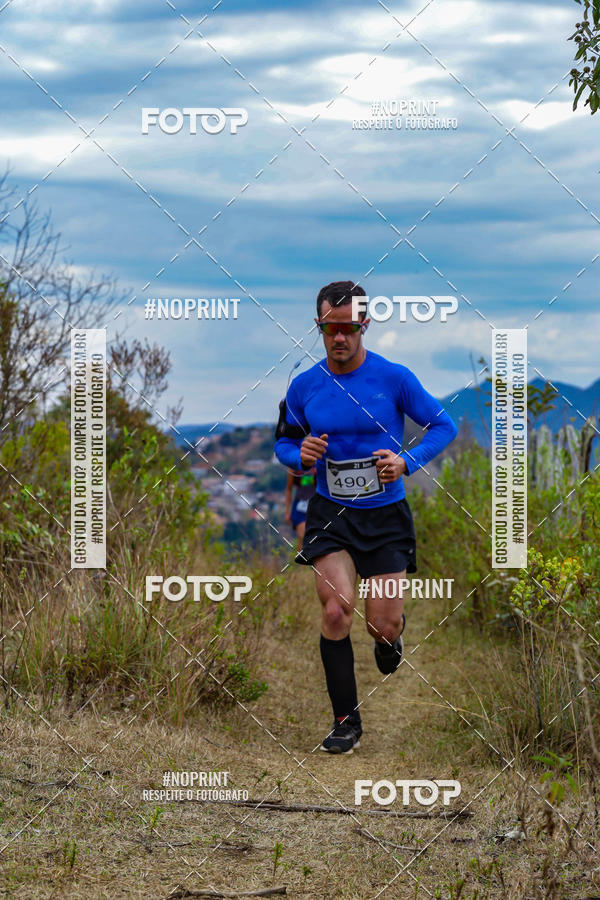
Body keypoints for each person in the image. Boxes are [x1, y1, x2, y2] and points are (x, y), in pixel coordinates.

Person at [274, 281, 458, 754]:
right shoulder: (304, 386)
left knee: (381, 625)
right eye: (330, 328)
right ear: (319, 327)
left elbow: (443, 425)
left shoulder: (393, 378)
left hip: (384, 515)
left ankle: (389, 636)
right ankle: (345, 723)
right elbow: (283, 444)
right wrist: (301, 455)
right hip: (330, 512)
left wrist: (405, 462)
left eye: (348, 328)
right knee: (336, 610)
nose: (339, 338)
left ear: (364, 326)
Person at [285, 467, 317, 548]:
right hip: (300, 505)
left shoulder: (320, 462)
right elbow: (289, 489)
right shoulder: (294, 466)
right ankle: (302, 559)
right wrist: (287, 512)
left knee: (316, 539)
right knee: (303, 537)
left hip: (317, 505)